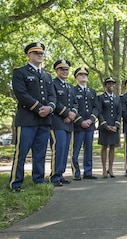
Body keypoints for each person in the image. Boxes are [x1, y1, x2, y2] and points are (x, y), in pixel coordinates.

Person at [9, 42, 56, 192]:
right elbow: (21, 93)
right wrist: (38, 108)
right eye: (36, 53)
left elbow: (52, 96)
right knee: (21, 153)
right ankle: (15, 183)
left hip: (45, 120)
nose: (39, 55)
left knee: (40, 153)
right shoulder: (20, 72)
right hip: (27, 119)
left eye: (41, 53)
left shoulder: (47, 76)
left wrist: (50, 108)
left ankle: (39, 179)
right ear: (29, 55)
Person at [50, 59, 78, 187]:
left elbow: (75, 103)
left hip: (68, 123)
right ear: (56, 70)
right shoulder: (53, 84)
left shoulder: (70, 87)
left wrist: (72, 114)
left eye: (66, 69)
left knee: (65, 149)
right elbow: (53, 101)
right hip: (57, 121)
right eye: (62, 69)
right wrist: (67, 113)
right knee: (59, 147)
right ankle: (54, 176)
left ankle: (60, 174)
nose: (65, 71)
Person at [72, 67, 98, 180]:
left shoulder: (92, 91)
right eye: (80, 74)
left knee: (89, 150)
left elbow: (96, 108)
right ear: (76, 77)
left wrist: (91, 120)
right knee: (76, 150)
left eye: (85, 74)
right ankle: (76, 172)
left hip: (90, 126)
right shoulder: (72, 90)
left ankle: (88, 172)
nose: (83, 76)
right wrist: (80, 121)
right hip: (78, 126)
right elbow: (72, 107)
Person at [98, 77, 122, 178]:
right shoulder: (101, 97)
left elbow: (119, 112)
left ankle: (110, 169)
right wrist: (105, 125)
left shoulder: (117, 98)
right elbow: (99, 112)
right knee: (104, 147)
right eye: (108, 83)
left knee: (112, 147)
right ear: (105, 85)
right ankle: (104, 170)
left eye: (112, 83)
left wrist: (116, 125)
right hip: (105, 127)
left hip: (114, 127)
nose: (111, 85)